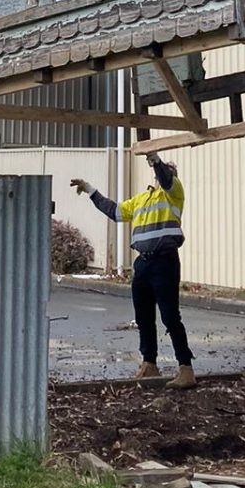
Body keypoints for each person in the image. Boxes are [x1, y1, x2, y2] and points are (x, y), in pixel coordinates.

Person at [72, 154, 195, 388]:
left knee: (170, 316)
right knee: (143, 317)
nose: (163, 173)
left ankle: (186, 368)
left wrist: (156, 161)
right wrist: (90, 190)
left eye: (167, 170)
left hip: (165, 261)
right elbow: (114, 211)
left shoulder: (174, 193)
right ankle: (149, 364)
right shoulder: (142, 199)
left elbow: (166, 178)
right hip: (143, 263)